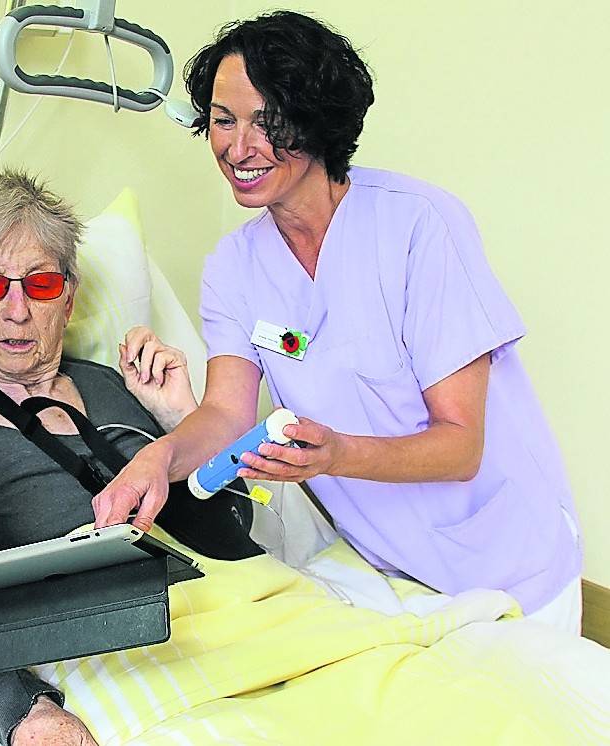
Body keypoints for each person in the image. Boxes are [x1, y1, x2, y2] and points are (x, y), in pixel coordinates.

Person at [93, 10, 582, 632]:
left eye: (267, 123)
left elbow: (461, 446)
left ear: (317, 121)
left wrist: (335, 454)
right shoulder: (235, 267)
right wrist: (158, 460)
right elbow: (225, 416)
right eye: (222, 120)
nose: (238, 148)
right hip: (386, 572)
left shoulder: (418, 226)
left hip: (510, 567)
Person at [0, 169, 261, 746]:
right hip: (102, 640)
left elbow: (234, 531)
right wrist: (25, 713)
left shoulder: (116, 384)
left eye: (42, 285)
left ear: (70, 296)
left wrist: (180, 416)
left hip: (236, 615)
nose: (18, 310)